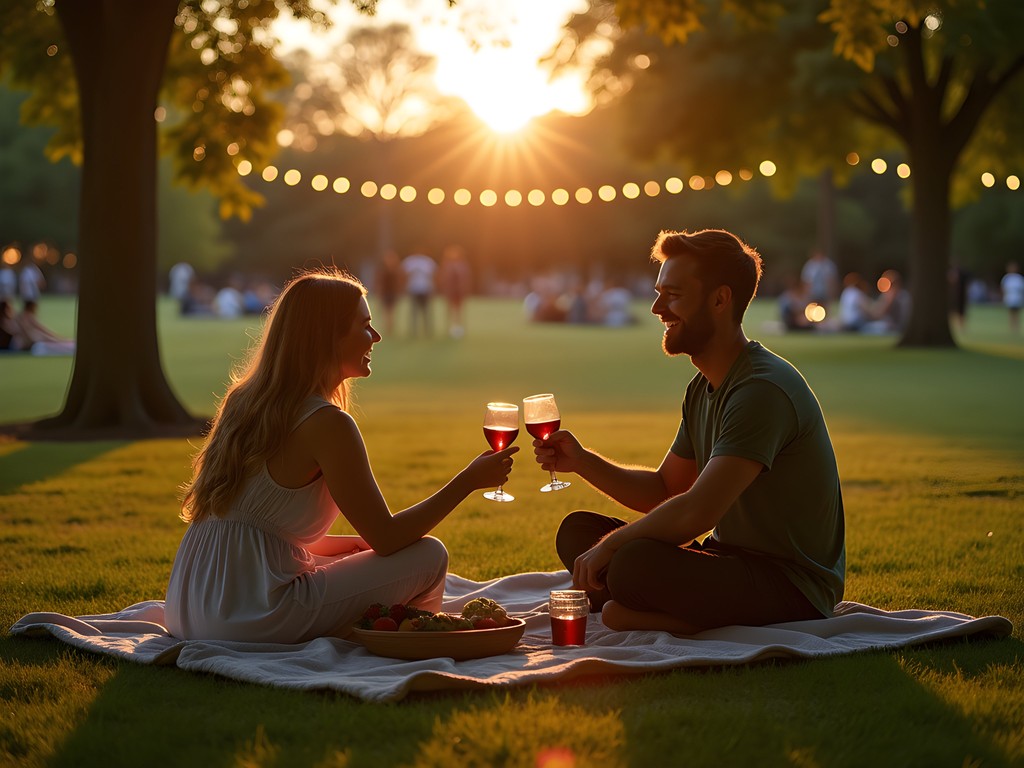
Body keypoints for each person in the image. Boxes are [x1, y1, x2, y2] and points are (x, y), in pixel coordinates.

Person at [164, 268, 517, 643]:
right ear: (326, 337)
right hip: (252, 616)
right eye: (364, 325)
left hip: (190, 607)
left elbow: (256, 523)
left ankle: (377, 626)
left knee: (350, 557)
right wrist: (468, 480)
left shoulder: (246, 402)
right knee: (428, 555)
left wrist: (343, 545)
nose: (376, 337)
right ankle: (410, 641)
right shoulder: (328, 424)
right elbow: (387, 537)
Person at [535, 229, 845, 635]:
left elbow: (698, 510)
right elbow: (666, 488)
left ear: (720, 300)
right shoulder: (703, 387)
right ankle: (638, 604)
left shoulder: (760, 390)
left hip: (792, 586)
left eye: (673, 295)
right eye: (659, 292)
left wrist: (612, 546)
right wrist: (583, 462)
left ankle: (645, 613)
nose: (656, 307)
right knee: (578, 532)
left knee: (629, 560)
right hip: (730, 561)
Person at [438, 245, 472, 337]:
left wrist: (464, 289)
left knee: (459, 310)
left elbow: (465, 279)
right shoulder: (447, 265)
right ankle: (449, 327)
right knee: (449, 309)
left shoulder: (462, 265)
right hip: (450, 291)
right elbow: (444, 279)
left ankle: (459, 327)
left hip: (459, 291)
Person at [402, 249, 437, 337]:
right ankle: (414, 332)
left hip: (425, 289)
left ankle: (428, 331)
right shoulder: (410, 261)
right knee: (414, 312)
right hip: (413, 289)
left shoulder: (427, 261)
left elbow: (434, 275)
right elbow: (403, 275)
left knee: (427, 312)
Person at [373, 250, 403, 336]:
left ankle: (390, 328)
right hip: (385, 293)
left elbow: (398, 282)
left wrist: (399, 291)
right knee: (385, 312)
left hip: (392, 293)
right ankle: (387, 328)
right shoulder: (382, 270)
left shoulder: (396, 271)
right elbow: (379, 282)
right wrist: (379, 293)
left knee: (391, 312)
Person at [1001, 261, 1024, 334]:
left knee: (1016, 313)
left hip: (1017, 298)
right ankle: (1012, 328)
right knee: (1011, 313)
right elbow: (1003, 288)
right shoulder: (1007, 278)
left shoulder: (1019, 278)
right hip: (1009, 298)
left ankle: (1016, 327)